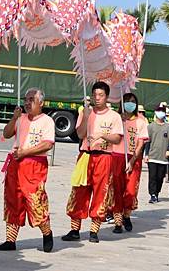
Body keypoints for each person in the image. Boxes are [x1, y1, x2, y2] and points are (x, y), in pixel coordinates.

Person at [0, 88, 54, 253]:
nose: (28, 103)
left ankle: (47, 233)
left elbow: (48, 144)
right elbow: (6, 134)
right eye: (26, 99)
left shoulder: (47, 121)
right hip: (15, 164)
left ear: (40, 103)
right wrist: (14, 118)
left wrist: (25, 152)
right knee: (13, 200)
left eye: (32, 100)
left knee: (36, 202)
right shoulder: (20, 118)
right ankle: (10, 240)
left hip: (34, 165)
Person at [62, 81, 123, 244]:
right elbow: (80, 134)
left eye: (101, 95)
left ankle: (94, 231)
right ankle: (75, 230)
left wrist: (103, 135)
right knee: (79, 191)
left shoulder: (114, 116)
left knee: (101, 193)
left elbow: (117, 138)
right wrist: (87, 115)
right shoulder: (85, 112)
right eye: (95, 95)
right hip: (85, 156)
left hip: (104, 157)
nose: (97, 98)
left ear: (107, 97)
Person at [111, 93, 149, 233]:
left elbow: (140, 144)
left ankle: (127, 215)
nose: (130, 104)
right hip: (117, 157)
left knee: (131, 191)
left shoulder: (141, 121)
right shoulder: (117, 119)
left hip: (134, 159)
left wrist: (132, 161)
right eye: (127, 102)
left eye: (133, 102)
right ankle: (117, 222)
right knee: (117, 189)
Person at [144, 105, 169, 203]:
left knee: (160, 177)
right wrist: (146, 154)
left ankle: (157, 192)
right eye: (159, 111)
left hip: (163, 158)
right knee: (152, 177)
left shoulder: (168, 127)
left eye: (162, 111)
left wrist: (168, 150)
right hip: (153, 156)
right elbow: (147, 142)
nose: (160, 113)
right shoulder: (150, 127)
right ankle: (152, 194)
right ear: (155, 113)